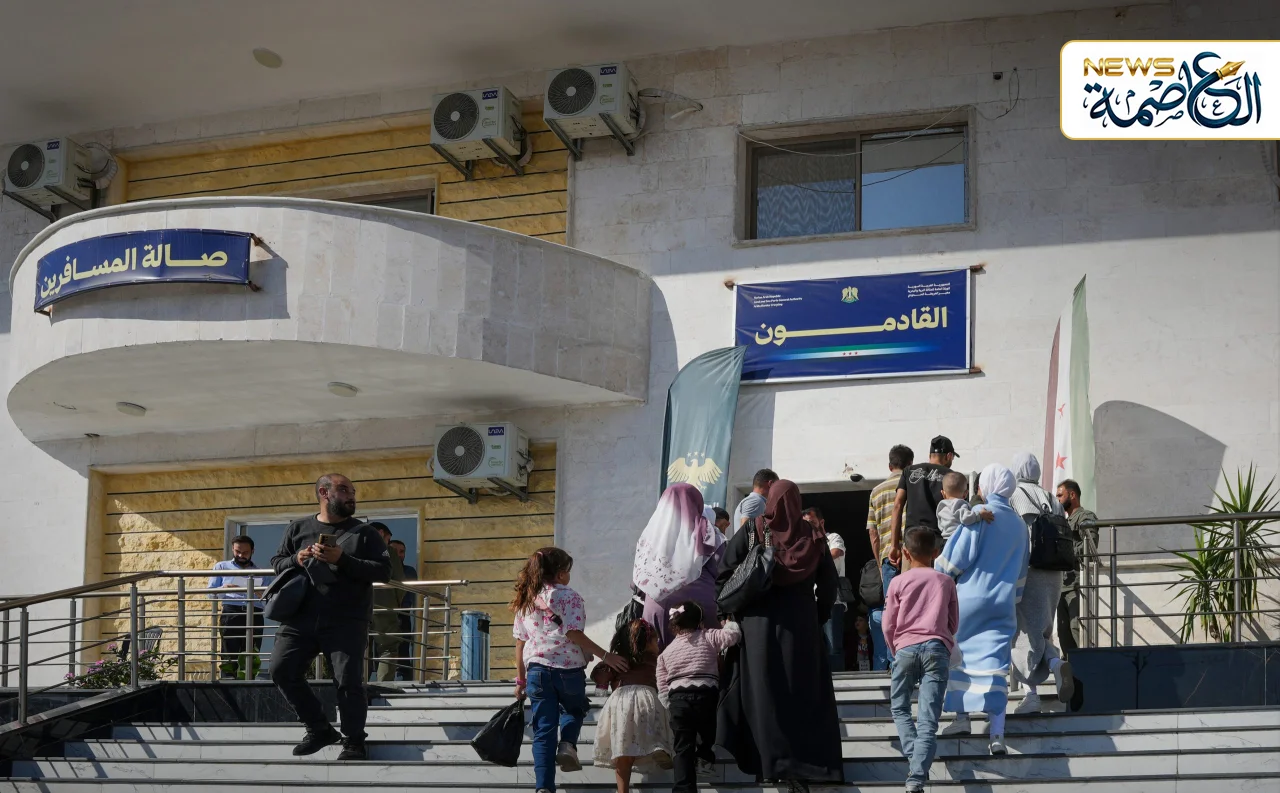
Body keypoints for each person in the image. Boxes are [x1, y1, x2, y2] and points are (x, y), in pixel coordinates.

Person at [717, 480, 843, 792]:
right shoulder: (813, 535)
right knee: (802, 694)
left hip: (757, 626)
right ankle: (806, 766)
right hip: (801, 625)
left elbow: (724, 573)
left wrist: (731, 613)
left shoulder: (754, 529)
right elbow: (829, 584)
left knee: (763, 695)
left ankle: (768, 765)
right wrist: (818, 616)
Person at [269, 473, 391, 760]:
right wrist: (297, 559)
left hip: (347, 620)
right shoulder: (298, 528)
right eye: (345, 490)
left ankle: (354, 741)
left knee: (348, 681)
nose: (352, 496)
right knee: (281, 670)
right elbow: (277, 562)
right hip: (299, 617)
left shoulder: (365, 533)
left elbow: (384, 572)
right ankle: (319, 729)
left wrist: (342, 559)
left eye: (353, 492)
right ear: (324, 493)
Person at [512, 547, 628, 793]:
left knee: (543, 730)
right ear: (561, 573)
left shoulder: (526, 599)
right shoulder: (570, 596)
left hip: (537, 671)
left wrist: (520, 681)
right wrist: (606, 655)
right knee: (575, 708)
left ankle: (544, 787)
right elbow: (573, 633)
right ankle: (567, 744)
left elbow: (520, 644)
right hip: (568, 670)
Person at [935, 463, 1028, 756]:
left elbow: (952, 561)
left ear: (986, 485)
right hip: (1003, 602)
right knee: (996, 667)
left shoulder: (980, 515)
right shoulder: (1020, 525)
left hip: (969, 600)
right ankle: (997, 736)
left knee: (960, 661)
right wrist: (1013, 599)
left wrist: (938, 574)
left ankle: (962, 720)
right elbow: (1022, 572)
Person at [884, 526, 959, 792]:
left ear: (905, 552)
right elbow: (953, 623)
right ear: (936, 553)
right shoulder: (946, 581)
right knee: (928, 720)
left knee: (899, 708)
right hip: (937, 648)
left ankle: (915, 760)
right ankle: (916, 776)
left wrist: (895, 649)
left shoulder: (897, 582)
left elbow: (888, 623)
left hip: (904, 648)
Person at [1008, 452, 1073, 714]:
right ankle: (1056, 664)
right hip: (1054, 572)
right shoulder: (1050, 497)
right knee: (1042, 631)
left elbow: (1017, 532)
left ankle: (1031, 695)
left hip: (1029, 571)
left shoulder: (1015, 494)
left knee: (1023, 634)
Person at [657, 601, 742, 792]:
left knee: (682, 747)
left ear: (674, 625)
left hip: (678, 699)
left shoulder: (666, 652)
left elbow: (661, 679)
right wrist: (729, 623)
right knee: (707, 731)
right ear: (700, 622)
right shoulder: (708, 636)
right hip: (705, 695)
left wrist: (666, 701)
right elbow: (733, 636)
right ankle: (704, 758)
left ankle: (683, 788)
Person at [634, 483, 726, 649]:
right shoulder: (708, 533)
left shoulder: (650, 536)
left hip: (657, 610)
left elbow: (637, 582)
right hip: (698, 612)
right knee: (700, 659)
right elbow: (723, 573)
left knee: (660, 658)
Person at [591, 619, 673, 793]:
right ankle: (660, 747)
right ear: (647, 642)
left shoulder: (618, 659)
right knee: (654, 726)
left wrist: (606, 663)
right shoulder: (655, 659)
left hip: (620, 702)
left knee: (623, 753)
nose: (658, 643)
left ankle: (623, 790)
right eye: (655, 640)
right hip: (646, 698)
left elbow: (599, 677)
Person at [867, 445, 913, 671]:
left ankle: (894, 662)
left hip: (888, 557)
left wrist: (880, 562)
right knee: (914, 608)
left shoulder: (876, 491)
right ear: (910, 465)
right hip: (912, 556)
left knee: (892, 610)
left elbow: (873, 533)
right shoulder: (913, 486)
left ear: (889, 465)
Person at [209, 535, 273, 680]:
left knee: (251, 652)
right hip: (232, 612)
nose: (241, 555)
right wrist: (224, 588)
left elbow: (269, 601)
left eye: (245, 553)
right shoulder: (222, 567)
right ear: (232, 549)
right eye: (237, 551)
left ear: (252, 551)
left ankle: (248, 682)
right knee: (229, 651)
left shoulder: (261, 572)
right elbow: (210, 594)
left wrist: (260, 594)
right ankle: (228, 682)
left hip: (255, 613)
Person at [890, 436, 958, 559]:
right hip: (937, 543)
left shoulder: (909, 471)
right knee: (936, 572)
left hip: (912, 540)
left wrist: (894, 545)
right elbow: (956, 511)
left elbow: (897, 505)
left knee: (911, 572)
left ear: (930, 455)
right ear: (948, 456)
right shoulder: (951, 476)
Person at [1056, 479, 1098, 655]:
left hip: (1077, 585)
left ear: (1072, 495)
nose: (1057, 499)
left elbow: (1091, 546)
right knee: (1063, 635)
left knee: (1077, 631)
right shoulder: (1063, 521)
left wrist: (1065, 550)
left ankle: (1083, 670)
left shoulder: (1085, 517)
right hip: (1062, 586)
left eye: (1060, 495)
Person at [802, 506, 847, 672]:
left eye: (812, 522)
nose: (809, 527)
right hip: (810, 601)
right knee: (812, 646)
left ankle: (838, 683)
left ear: (821, 522)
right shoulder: (804, 543)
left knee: (833, 646)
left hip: (833, 601)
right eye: (805, 524)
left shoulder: (833, 537)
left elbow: (836, 552)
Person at [370, 522, 406, 682]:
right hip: (383, 604)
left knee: (357, 647)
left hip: (356, 605)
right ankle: (383, 687)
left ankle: (355, 686)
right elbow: (399, 581)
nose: (388, 542)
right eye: (388, 539)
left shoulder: (352, 548)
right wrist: (396, 603)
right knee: (388, 647)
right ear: (380, 533)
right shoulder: (387, 551)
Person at [388, 539, 418, 680]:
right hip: (382, 614)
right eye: (395, 551)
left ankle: (405, 677)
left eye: (402, 552)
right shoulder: (382, 569)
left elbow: (406, 596)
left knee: (403, 648)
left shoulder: (408, 571)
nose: (399, 555)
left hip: (401, 613)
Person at [936, 471, 993, 540]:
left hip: (945, 538)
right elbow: (965, 518)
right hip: (957, 538)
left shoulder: (941, 507)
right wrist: (980, 515)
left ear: (943, 493)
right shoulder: (959, 504)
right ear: (965, 494)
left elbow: (940, 525)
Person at [730, 469, 778, 539]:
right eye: (776, 487)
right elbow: (745, 532)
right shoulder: (756, 501)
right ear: (770, 484)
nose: (777, 491)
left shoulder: (758, 501)